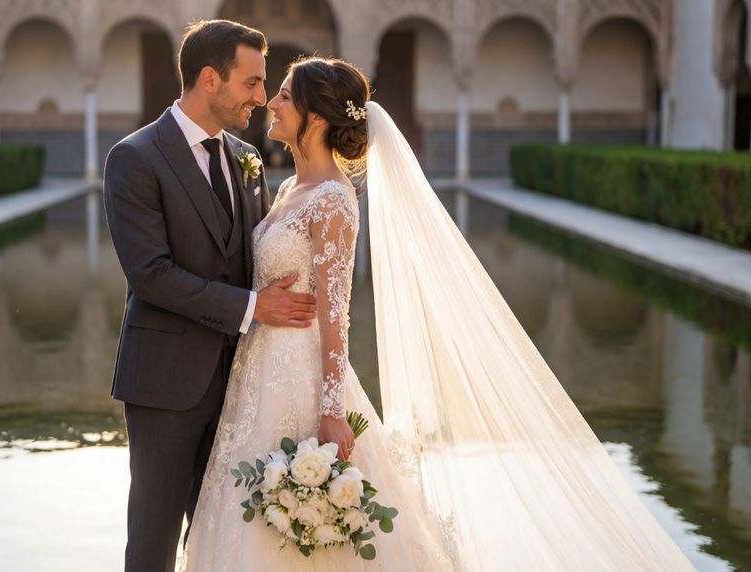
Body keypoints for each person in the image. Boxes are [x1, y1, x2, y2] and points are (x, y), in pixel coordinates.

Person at [180, 57, 696, 571]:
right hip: (260, 371)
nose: (272, 101)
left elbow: (337, 316)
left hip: (301, 376)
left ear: (315, 118)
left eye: (286, 95)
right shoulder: (293, 189)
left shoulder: (334, 200)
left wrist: (332, 411)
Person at [103, 20, 316, 572]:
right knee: (153, 543)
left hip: (244, 384)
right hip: (167, 383)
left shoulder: (245, 158)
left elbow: (248, 255)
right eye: (250, 84)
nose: (262, 98)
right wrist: (253, 308)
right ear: (209, 79)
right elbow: (150, 273)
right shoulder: (136, 158)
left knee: (224, 539)